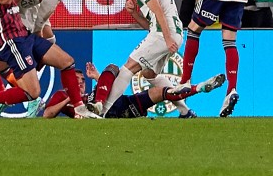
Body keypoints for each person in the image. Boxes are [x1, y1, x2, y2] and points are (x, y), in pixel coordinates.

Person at [100, 0, 190, 116]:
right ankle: (185, 111)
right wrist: (134, 13)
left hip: (164, 34)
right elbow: (151, 25)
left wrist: (167, 38)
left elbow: (158, 10)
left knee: (129, 66)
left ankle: (103, 111)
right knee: (149, 74)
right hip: (171, 33)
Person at [41, 63, 224, 119]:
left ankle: (199, 88)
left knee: (160, 92)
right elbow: (47, 114)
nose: (80, 83)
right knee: (112, 68)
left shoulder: (91, 95)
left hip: (124, 104)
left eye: (82, 81)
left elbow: (110, 88)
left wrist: (97, 77)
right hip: (104, 113)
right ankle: (187, 109)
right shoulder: (62, 96)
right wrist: (71, 99)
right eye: (76, 81)